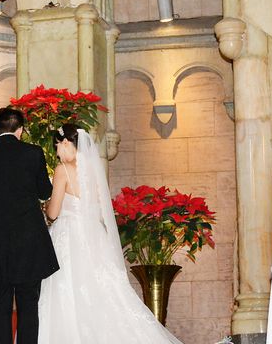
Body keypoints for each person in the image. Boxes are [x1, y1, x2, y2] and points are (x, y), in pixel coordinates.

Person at [38, 124, 183, 344]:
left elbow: (54, 212)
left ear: (66, 143)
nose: (57, 152)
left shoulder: (62, 170)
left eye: (57, 146)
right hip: (94, 238)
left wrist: (45, 205)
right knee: (102, 291)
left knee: (66, 290)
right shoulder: (95, 171)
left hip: (68, 238)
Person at [0, 108, 59, 344]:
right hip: (29, 240)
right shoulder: (33, 153)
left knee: (0, 303)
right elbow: (45, 192)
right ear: (21, 129)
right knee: (29, 303)